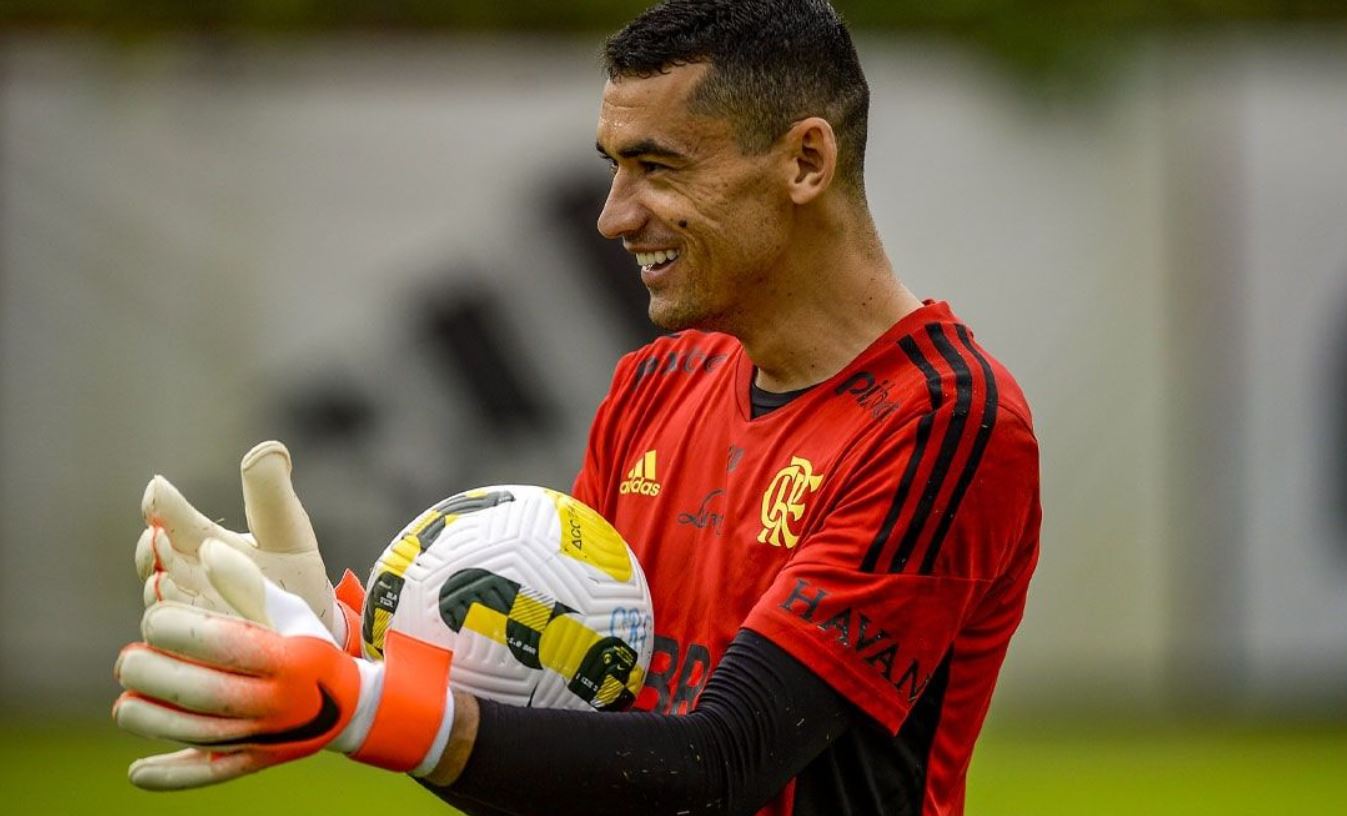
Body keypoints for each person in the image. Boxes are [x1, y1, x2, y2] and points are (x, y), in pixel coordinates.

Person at [112, 1, 1041, 814]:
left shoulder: (947, 422)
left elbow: (717, 766)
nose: (613, 214)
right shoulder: (656, 383)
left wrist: (362, 708)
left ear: (804, 161)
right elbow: (572, 760)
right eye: (612, 166)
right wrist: (354, 657)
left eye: (657, 168)